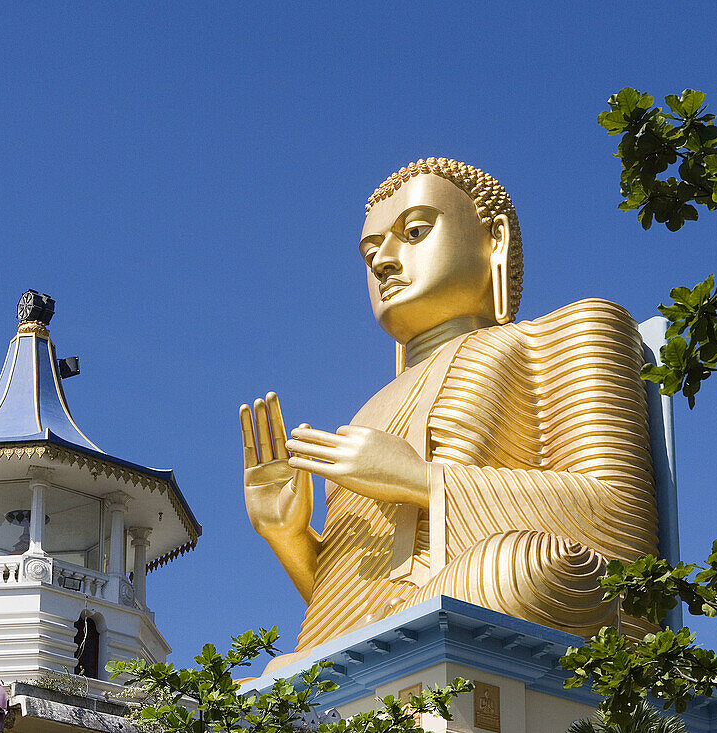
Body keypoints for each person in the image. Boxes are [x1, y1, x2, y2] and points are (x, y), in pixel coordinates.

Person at [241, 158, 657, 672]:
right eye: (371, 252)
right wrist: (289, 537)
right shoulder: (367, 411)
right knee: (296, 667)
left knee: (516, 569)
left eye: (413, 232)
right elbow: (361, 601)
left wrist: (419, 479)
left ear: (494, 238)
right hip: (401, 632)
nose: (383, 263)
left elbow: (620, 522)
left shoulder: (568, 333)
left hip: (503, 586)